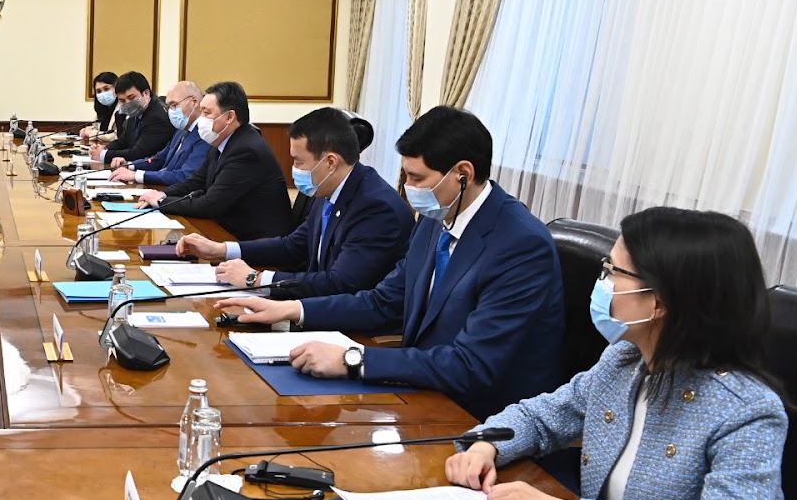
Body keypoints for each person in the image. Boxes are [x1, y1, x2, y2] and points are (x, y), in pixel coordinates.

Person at [444, 207, 787, 500]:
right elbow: (540, 416)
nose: (602, 282)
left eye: (613, 271)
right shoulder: (624, 361)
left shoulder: (748, 411)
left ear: (658, 302)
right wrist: (483, 445)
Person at [214, 105, 566, 419]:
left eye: (417, 178)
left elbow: (471, 365)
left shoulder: (520, 244)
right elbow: (384, 302)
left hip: (483, 418)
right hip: (423, 392)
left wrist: (352, 359)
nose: (409, 189)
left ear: (463, 173)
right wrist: (293, 309)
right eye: (405, 176)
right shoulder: (435, 219)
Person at [174, 107, 411, 297]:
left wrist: (256, 279)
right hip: (316, 304)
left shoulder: (375, 208)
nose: (294, 169)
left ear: (330, 162)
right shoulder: (330, 188)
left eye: (299, 162)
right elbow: (293, 246)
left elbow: (340, 283)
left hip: (351, 327)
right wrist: (221, 249)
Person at [135, 81, 295, 242]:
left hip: (256, 242)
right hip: (229, 231)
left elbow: (209, 204)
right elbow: (196, 181)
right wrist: (163, 194)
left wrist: (162, 202)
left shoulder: (246, 150)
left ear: (229, 117)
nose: (201, 119)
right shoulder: (223, 141)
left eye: (206, 113)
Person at [108, 81, 208, 187]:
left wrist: (137, 175)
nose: (171, 111)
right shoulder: (182, 130)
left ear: (194, 102)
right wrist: (130, 165)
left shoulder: (204, 135)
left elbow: (185, 176)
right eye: (169, 106)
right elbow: (160, 158)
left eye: (174, 105)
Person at [93, 71, 174, 165]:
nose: (128, 104)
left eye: (131, 98)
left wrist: (104, 155)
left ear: (146, 94)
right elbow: (123, 141)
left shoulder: (157, 117)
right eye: (122, 100)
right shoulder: (136, 112)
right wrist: (105, 148)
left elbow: (139, 153)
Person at [79, 71, 120, 140]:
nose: (103, 94)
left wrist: (93, 134)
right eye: (98, 91)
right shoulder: (102, 109)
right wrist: (85, 131)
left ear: (116, 88)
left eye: (106, 89)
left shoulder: (123, 108)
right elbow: (93, 127)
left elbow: (118, 136)